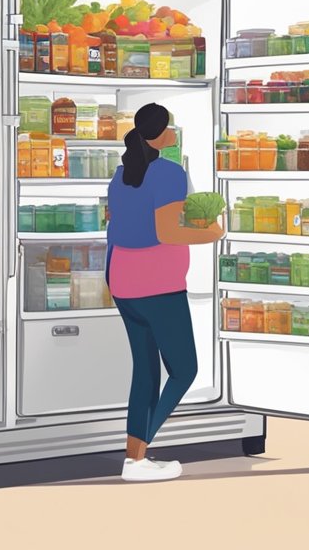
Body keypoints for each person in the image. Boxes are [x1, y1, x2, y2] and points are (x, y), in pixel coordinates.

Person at [104, 103, 224, 483]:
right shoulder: (169, 173)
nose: (173, 133)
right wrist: (212, 233)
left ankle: (136, 459)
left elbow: (118, 226)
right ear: (160, 135)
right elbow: (167, 232)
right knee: (185, 369)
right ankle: (137, 453)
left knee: (145, 371)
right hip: (158, 285)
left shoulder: (121, 174)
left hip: (123, 280)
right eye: (170, 128)